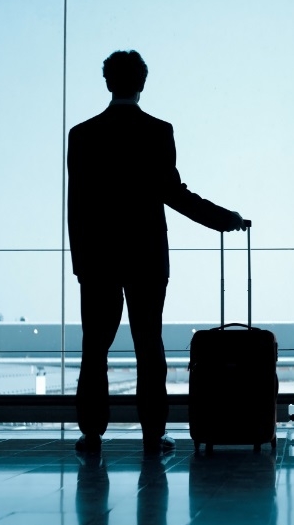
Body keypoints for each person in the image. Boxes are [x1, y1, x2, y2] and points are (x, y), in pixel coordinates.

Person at [68, 50, 245, 455]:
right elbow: (174, 195)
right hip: (146, 256)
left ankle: (92, 433)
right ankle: (152, 434)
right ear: (141, 84)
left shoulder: (82, 135)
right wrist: (224, 219)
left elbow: (76, 206)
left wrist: (81, 263)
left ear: (108, 82)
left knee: (94, 347)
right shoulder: (157, 132)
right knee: (149, 344)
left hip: (97, 259)